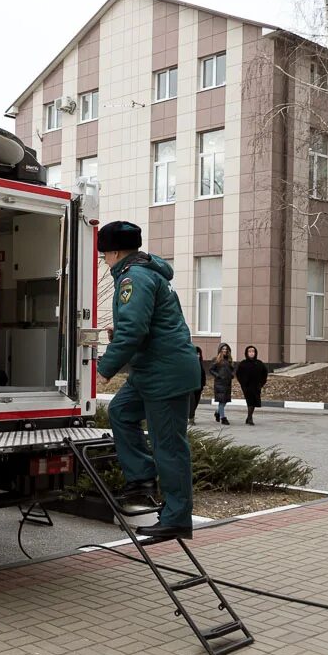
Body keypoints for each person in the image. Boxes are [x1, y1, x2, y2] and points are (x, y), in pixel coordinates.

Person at [95, 221, 201, 541]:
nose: (103, 260)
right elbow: (147, 325)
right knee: (121, 412)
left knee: (169, 447)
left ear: (114, 251)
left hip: (164, 374)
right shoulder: (146, 273)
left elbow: (134, 331)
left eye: (103, 254)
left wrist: (104, 369)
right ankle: (141, 479)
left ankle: (176, 518)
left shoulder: (134, 278)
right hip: (153, 370)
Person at [235, 345, 268, 425]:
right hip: (247, 387)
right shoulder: (243, 364)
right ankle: (250, 418)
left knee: (254, 402)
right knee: (250, 402)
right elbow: (238, 374)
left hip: (256, 387)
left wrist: (261, 384)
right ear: (246, 353)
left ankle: (249, 417)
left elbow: (265, 373)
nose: (251, 353)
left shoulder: (259, 363)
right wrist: (243, 383)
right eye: (249, 351)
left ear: (255, 353)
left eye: (253, 351)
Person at [209, 343, 235, 426]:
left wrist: (231, 375)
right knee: (221, 401)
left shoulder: (229, 360)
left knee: (225, 401)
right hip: (219, 383)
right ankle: (223, 418)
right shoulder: (216, 359)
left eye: (226, 349)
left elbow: (231, 370)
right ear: (220, 350)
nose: (225, 350)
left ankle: (217, 412)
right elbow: (211, 370)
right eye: (223, 349)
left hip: (227, 383)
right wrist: (218, 376)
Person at [189, 347, 206, 425]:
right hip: (191, 387)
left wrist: (203, 384)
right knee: (192, 402)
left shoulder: (200, 364)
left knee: (196, 402)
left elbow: (203, 375)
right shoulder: (189, 363)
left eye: (199, 354)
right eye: (196, 354)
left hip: (199, 387)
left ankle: (191, 416)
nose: (197, 355)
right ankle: (191, 418)